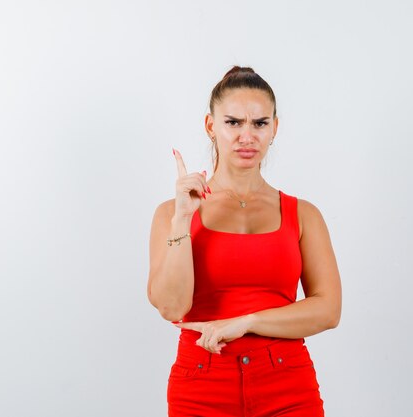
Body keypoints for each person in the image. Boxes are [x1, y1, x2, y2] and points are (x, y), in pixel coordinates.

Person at [147, 66, 342, 417]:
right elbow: (171, 307)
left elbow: (328, 310)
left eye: (259, 123)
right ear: (211, 126)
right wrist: (182, 219)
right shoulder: (171, 214)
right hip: (202, 383)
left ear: (274, 128)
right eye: (233, 122)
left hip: (287, 383)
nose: (246, 136)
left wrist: (246, 321)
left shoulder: (303, 214)